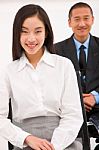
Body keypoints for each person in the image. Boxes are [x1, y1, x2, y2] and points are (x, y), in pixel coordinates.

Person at [0, 4, 83, 150]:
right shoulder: (9, 71)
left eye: (38, 31)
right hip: (25, 142)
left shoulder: (64, 65)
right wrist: (27, 138)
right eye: (24, 32)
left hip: (63, 141)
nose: (31, 39)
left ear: (46, 33)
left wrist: (53, 146)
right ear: (17, 34)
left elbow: (73, 115)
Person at [54, 2, 99, 121]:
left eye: (86, 18)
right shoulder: (56, 50)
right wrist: (77, 99)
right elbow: (52, 84)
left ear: (93, 20)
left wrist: (95, 97)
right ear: (69, 22)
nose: (82, 24)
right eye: (77, 19)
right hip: (67, 112)